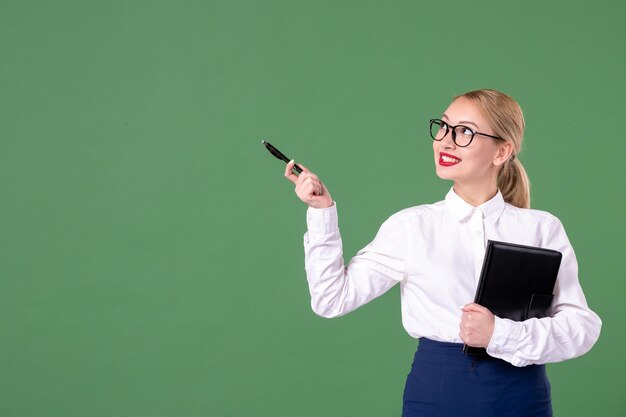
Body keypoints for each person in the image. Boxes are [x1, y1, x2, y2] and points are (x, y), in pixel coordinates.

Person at [283, 89, 602, 417]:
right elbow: (332, 300)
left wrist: (500, 334)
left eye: (465, 132)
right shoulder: (412, 226)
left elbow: (582, 327)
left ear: (502, 151)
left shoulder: (541, 229)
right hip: (438, 393)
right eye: (444, 127)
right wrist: (322, 213)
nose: (446, 141)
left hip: (521, 396)